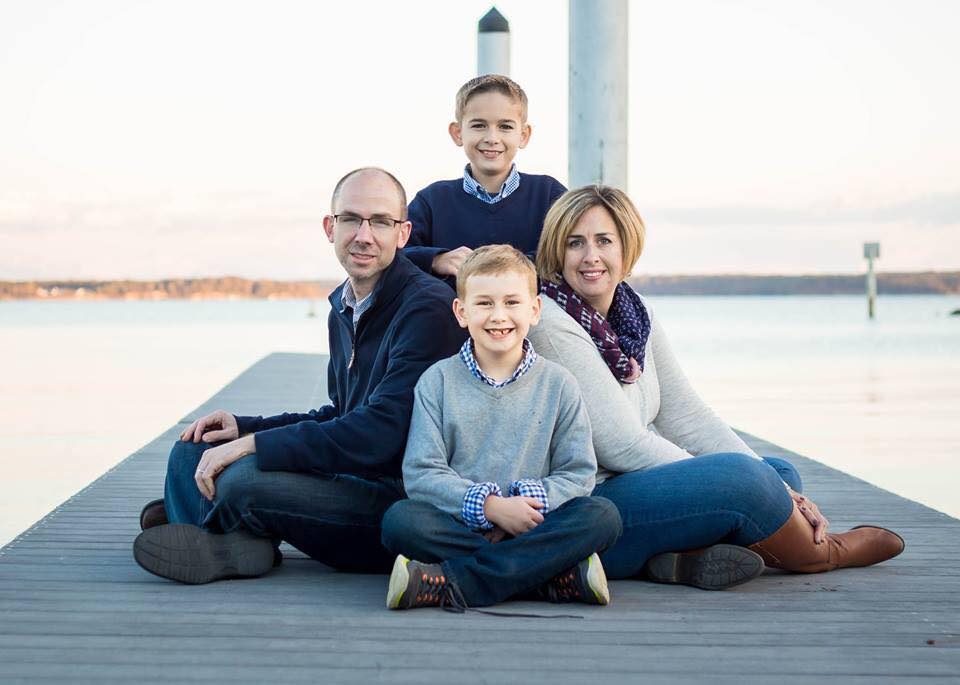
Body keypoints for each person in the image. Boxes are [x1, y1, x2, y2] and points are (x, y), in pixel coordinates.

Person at [527, 185, 904, 590]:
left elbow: (685, 411)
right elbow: (621, 443)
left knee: (777, 471)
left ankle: (675, 560)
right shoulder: (550, 319)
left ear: (626, 248)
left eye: (604, 241)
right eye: (575, 243)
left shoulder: (634, 312)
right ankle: (823, 554)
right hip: (589, 506)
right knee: (746, 480)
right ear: (557, 251)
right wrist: (735, 477)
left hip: (631, 486)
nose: (590, 257)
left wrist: (771, 484)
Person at [133, 167, 466, 584]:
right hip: (348, 474)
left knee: (240, 479)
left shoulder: (428, 309)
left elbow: (382, 433)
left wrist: (253, 445)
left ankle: (219, 529)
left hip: (391, 499)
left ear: (402, 234)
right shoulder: (344, 308)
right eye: (351, 219)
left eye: (381, 221)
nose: (364, 235)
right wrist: (244, 428)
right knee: (193, 449)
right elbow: (339, 413)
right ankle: (234, 539)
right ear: (330, 227)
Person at [380, 245, 622, 611]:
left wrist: (521, 507)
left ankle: (453, 583)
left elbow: (578, 474)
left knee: (602, 516)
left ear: (534, 310)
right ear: (461, 312)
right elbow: (421, 474)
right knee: (401, 521)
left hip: (535, 523)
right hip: (460, 523)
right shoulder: (437, 381)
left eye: (512, 302)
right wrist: (491, 507)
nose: (498, 316)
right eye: (484, 304)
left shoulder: (559, 384)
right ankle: (546, 576)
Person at [403, 74, 567, 281]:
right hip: (451, 311)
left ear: (524, 135)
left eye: (505, 126)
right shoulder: (432, 200)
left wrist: (505, 266)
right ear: (457, 133)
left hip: (533, 311)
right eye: (479, 125)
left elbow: (570, 249)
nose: (492, 138)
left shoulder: (549, 195)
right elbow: (394, 251)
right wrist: (436, 259)